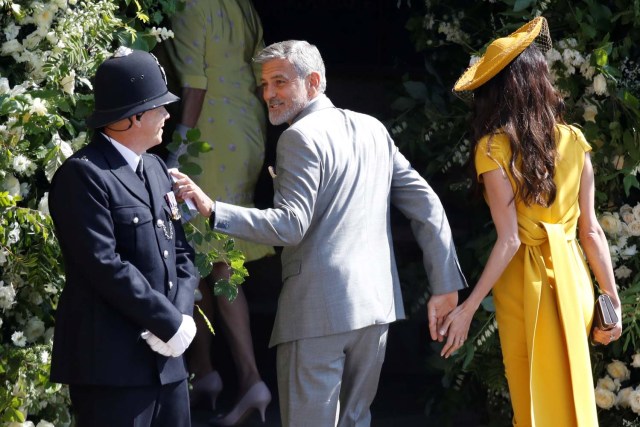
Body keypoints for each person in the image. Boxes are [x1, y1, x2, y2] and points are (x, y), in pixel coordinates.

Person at [171, 39, 468, 427]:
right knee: (356, 421)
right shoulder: (373, 129)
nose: (268, 94)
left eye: (279, 82)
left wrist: (213, 211)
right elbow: (426, 205)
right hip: (375, 308)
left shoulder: (299, 137)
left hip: (317, 313)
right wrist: (445, 283)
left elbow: (290, 225)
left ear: (313, 81)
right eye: (264, 85)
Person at [440, 17, 622, 427]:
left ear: (497, 90)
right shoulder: (575, 139)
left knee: (533, 401)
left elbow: (509, 241)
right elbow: (590, 230)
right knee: (573, 393)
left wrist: (468, 308)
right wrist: (610, 298)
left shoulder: (492, 149)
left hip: (525, 284)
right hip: (573, 277)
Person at [48, 48, 199, 427]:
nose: (167, 115)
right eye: (159, 107)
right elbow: (104, 265)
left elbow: (182, 252)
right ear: (133, 117)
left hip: (169, 365)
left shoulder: (156, 168)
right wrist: (168, 323)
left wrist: (180, 319)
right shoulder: (83, 176)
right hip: (113, 369)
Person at [164, 1, 274, 424]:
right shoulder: (243, 5)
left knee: (215, 255)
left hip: (209, 131)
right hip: (245, 129)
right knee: (202, 252)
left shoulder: (192, 6)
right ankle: (204, 371)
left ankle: (247, 377)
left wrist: (183, 141)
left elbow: (195, 83)